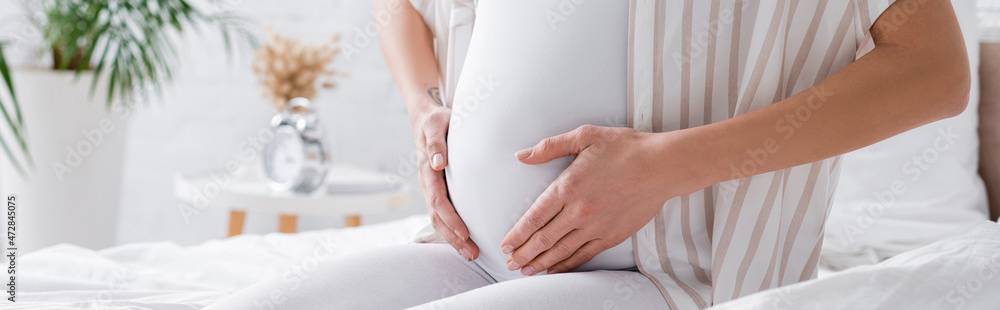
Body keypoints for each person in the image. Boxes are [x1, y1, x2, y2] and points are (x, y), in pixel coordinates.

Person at [207, 0, 970, 308]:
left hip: (667, 275)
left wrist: (665, 167)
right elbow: (401, 8)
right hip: (472, 249)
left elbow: (936, 71)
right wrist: (426, 110)